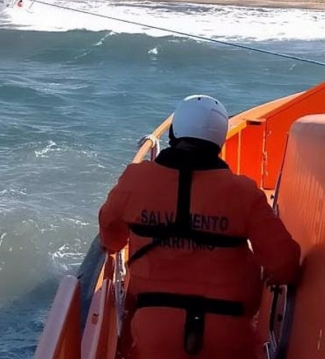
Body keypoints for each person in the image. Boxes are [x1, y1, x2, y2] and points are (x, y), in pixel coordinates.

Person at [99, 94, 301, 359]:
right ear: (219, 141)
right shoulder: (243, 193)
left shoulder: (135, 180)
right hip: (228, 335)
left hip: (153, 331)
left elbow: (110, 235)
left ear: (173, 133)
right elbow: (285, 264)